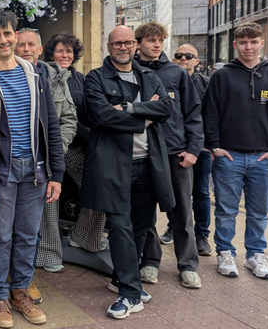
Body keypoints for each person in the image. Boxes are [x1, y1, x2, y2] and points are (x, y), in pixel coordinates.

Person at [0, 11, 64, 328]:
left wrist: (56, 173)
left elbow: (52, 126)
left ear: (16, 35)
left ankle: (21, 292)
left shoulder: (36, 76)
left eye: (8, 33)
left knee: (27, 236)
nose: (3, 40)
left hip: (35, 172)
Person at [80, 25, 174, 319]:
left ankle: (124, 278)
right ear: (108, 47)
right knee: (120, 228)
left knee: (141, 226)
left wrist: (129, 108)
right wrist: (144, 117)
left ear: (135, 45)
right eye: (117, 43)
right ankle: (130, 294)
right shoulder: (96, 78)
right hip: (113, 166)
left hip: (148, 163)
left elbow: (167, 108)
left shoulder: (148, 75)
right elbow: (101, 115)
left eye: (128, 43)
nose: (123, 48)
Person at [203, 22, 268, 279]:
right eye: (243, 42)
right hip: (228, 156)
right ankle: (225, 253)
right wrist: (215, 146)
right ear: (235, 45)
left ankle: (255, 255)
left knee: (259, 212)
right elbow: (210, 113)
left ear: (262, 43)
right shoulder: (222, 76)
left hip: (263, 158)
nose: (248, 47)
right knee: (226, 210)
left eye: (253, 42)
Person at [134, 23, 204, 290]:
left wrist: (193, 150)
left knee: (182, 213)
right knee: (145, 213)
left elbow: (193, 113)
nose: (156, 45)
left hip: (176, 154)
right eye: (150, 40)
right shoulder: (132, 72)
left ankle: (188, 265)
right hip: (144, 153)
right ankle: (150, 261)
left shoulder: (177, 72)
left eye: (160, 40)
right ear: (138, 42)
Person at [14, 28, 76, 276]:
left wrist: (54, 151)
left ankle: (43, 258)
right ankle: (11, 270)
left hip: (49, 156)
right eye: (21, 45)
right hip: (16, 158)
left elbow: (69, 119)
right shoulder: (3, 75)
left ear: (40, 50)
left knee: (47, 205)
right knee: (11, 222)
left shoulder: (55, 77)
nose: (26, 49)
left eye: (31, 45)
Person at [43, 32, 107, 254]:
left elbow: (90, 114)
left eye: (69, 51)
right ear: (51, 52)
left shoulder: (81, 79)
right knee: (49, 199)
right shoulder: (44, 75)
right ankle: (48, 250)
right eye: (59, 50)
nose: (64, 55)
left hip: (80, 147)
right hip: (54, 148)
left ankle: (84, 238)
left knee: (99, 189)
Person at [172, 44, 213, 257]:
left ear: (196, 61)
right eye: (178, 56)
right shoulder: (168, 80)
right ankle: (173, 227)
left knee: (200, 192)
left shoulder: (206, 84)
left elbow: (213, 115)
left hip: (200, 148)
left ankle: (201, 236)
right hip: (176, 148)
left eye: (188, 56)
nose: (183, 59)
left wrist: (208, 144)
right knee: (176, 193)